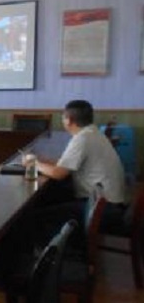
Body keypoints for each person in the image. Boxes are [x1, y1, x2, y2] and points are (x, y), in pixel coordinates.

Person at [28, 99, 127, 241]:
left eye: (63, 117)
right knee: (50, 195)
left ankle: (53, 251)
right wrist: (43, 161)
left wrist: (33, 163)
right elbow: (65, 163)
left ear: (68, 120)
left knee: (36, 216)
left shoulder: (82, 138)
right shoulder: (92, 132)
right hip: (109, 202)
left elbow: (59, 173)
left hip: (102, 209)